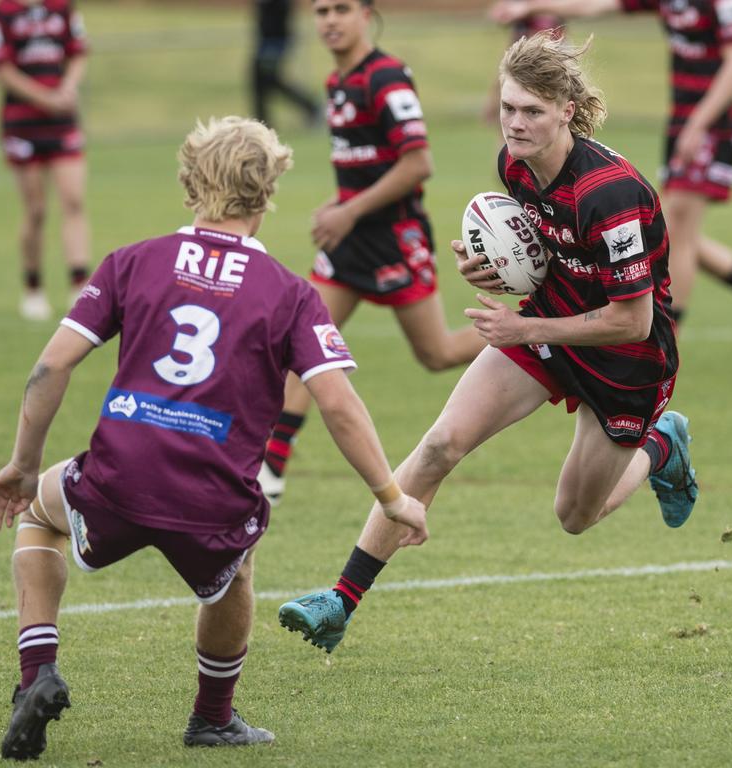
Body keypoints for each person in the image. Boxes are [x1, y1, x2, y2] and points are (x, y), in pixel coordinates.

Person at [0, 116, 427, 761]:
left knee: (39, 519)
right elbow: (338, 404)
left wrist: (24, 467)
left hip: (117, 473)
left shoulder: (134, 261)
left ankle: (38, 673)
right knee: (235, 571)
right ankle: (212, 717)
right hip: (214, 494)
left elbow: (51, 366)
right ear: (269, 189)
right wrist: (391, 496)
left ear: (190, 182)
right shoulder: (292, 294)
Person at [275, 32, 699, 654]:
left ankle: (663, 447)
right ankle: (340, 599)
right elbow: (544, 259)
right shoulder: (514, 165)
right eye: (508, 108)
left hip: (626, 362)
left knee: (576, 516)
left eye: (532, 111)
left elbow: (632, 322)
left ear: (567, 111)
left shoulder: (609, 195)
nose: (516, 123)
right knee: (442, 443)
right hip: (551, 323)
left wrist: (523, 326)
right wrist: (493, 269)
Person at [493, 0, 732, 369]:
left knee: (679, 233)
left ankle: (665, 349)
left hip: (709, 126)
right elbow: (598, 6)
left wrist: (699, 124)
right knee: (667, 233)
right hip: (683, 123)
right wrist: (532, 6)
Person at [258, 0, 484, 506]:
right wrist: (344, 211)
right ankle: (269, 470)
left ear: (366, 15)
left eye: (341, 9)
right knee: (302, 343)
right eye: (320, 11)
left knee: (437, 353)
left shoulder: (385, 78)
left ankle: (541, 336)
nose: (330, 20)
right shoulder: (337, 82)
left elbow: (418, 163)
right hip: (348, 244)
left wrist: (349, 209)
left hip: (393, 240)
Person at [0, 0, 91, 321]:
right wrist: (46, 99)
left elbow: (78, 53)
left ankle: (79, 285)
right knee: (36, 209)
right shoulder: (1, 13)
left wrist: (68, 88)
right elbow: (3, 70)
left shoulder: (62, 7)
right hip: (23, 124)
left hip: (63, 121)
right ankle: (33, 287)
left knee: (73, 201)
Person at [251, 0, 322, 129]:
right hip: (266, 41)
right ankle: (262, 123)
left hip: (275, 42)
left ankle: (311, 107)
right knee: (266, 81)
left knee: (265, 80)